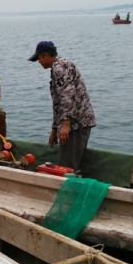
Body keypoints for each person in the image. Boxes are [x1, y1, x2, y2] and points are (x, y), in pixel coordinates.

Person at [28, 41, 96, 172]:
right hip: (78, 123)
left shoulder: (60, 69)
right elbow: (58, 103)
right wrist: (55, 128)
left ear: (46, 55)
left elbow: (68, 96)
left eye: (39, 59)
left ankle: (66, 191)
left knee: (65, 168)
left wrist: (66, 124)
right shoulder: (60, 66)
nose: (39, 62)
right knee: (72, 164)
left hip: (76, 124)